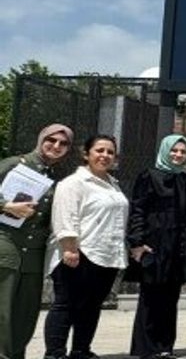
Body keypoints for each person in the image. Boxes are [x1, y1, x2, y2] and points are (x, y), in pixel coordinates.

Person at [44, 135, 129, 359]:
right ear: (86, 154)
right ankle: (55, 354)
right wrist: (69, 248)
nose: (105, 155)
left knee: (91, 306)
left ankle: (81, 351)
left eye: (110, 152)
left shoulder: (113, 184)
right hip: (79, 253)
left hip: (106, 255)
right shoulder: (73, 183)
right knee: (65, 306)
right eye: (99, 150)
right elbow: (65, 217)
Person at [0, 123, 73, 359]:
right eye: (51, 140)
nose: (56, 145)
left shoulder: (55, 177)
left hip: (33, 256)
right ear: (41, 139)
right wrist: (6, 206)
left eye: (63, 143)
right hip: (6, 247)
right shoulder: (15, 164)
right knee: (2, 313)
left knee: (24, 317)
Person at [128, 134, 186, 359]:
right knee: (150, 298)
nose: (178, 155)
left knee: (170, 298)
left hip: (178, 247)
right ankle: (145, 349)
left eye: (183, 152)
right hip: (154, 245)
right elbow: (138, 209)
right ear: (165, 151)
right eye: (174, 150)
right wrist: (137, 243)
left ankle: (165, 347)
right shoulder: (149, 176)